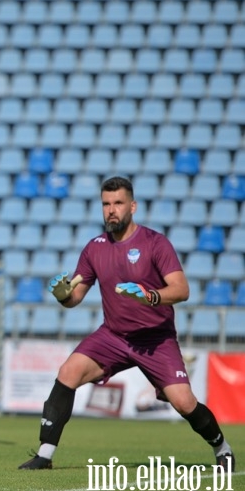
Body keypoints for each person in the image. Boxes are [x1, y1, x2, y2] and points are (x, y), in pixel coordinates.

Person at [18, 176, 236, 473]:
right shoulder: (94, 248)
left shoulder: (155, 243)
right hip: (114, 336)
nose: (111, 210)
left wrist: (151, 296)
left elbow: (182, 289)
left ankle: (222, 448)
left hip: (155, 339)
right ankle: (44, 455)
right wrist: (63, 296)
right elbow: (76, 297)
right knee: (68, 372)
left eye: (118, 203)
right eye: (106, 204)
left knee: (184, 403)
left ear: (132, 206)